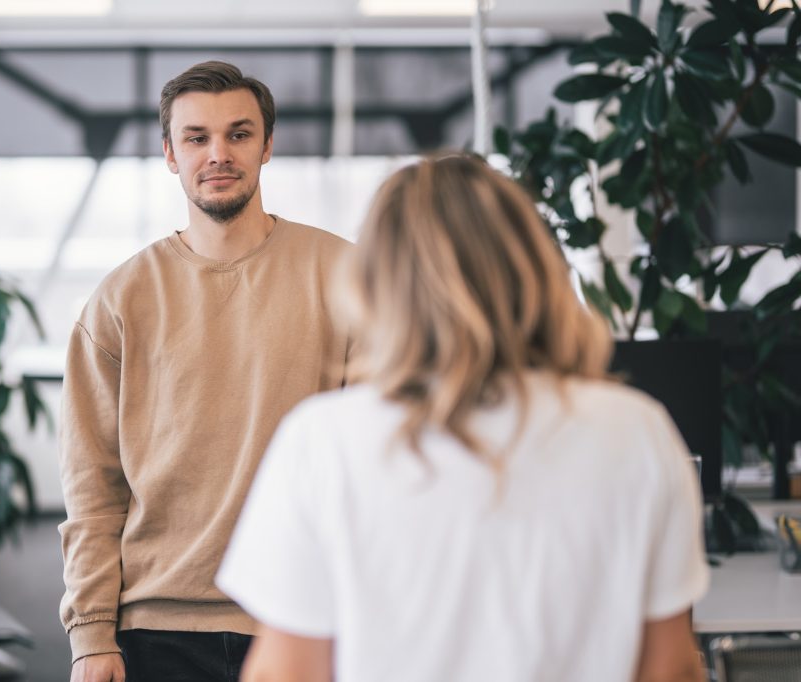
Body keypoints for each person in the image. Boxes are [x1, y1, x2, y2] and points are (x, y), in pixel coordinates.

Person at [218, 153, 710, 682]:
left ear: (379, 283)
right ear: (533, 266)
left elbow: (287, 674)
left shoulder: (324, 441)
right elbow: (671, 670)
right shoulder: (635, 432)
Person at [58, 61, 353, 682]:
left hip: (304, 616)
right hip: (155, 628)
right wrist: (91, 634)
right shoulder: (120, 299)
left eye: (239, 135)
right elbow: (93, 487)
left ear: (267, 146)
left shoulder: (346, 277)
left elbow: (386, 458)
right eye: (197, 138)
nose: (218, 154)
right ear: (170, 153)